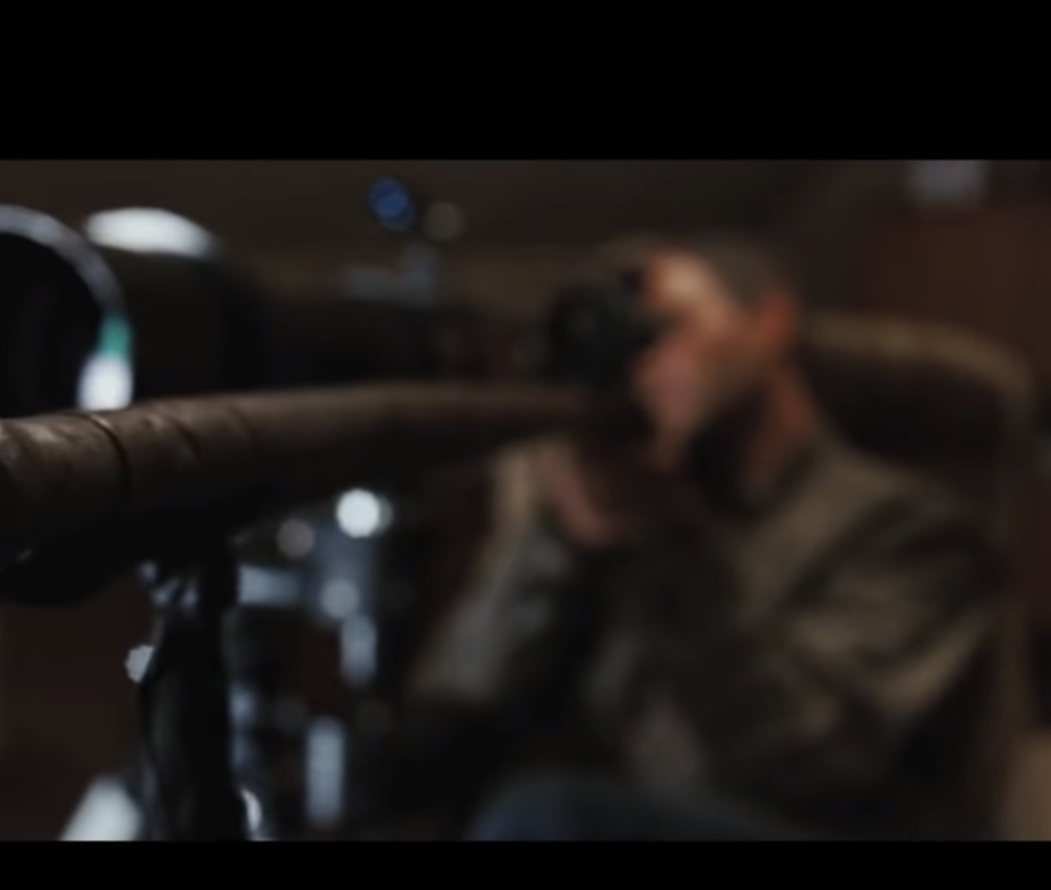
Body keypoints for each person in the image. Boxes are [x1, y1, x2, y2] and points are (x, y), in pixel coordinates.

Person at [372, 234, 1007, 840]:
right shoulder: (618, 500)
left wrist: (674, 544)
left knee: (552, 817)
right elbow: (449, 714)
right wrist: (558, 539)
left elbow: (808, 762)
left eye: (667, 328)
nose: (647, 366)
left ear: (770, 322)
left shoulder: (908, 525)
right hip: (613, 815)